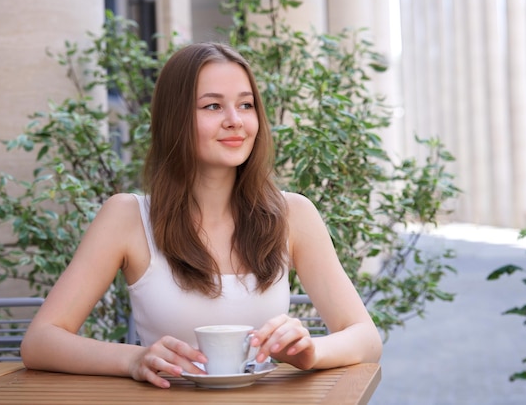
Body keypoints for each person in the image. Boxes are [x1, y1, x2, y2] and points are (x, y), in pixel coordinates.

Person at [21, 42, 382, 388]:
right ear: (174, 118)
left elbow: (366, 337)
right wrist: (133, 360)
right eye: (212, 106)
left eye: (246, 105)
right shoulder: (128, 217)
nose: (234, 121)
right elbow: (40, 341)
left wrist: (311, 351)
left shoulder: (293, 214)